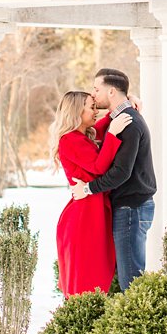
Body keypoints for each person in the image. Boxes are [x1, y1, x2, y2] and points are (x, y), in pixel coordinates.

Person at [70, 67, 158, 290]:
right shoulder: (120, 118)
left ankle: (138, 324)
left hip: (132, 207)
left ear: (111, 93)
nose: (93, 94)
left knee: (131, 280)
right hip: (130, 206)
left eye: (97, 89)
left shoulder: (128, 122)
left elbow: (120, 173)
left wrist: (88, 189)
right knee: (128, 275)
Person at [52, 90, 128, 296]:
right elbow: (98, 166)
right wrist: (113, 134)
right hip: (83, 218)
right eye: (91, 107)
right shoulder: (69, 139)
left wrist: (122, 108)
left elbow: (101, 127)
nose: (97, 111)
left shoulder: (82, 136)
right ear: (77, 111)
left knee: (97, 276)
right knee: (87, 280)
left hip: (92, 212)